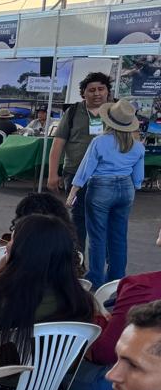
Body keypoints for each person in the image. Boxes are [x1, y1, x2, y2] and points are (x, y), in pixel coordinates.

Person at [0, 213, 98, 367]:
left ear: (23, 250)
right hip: (55, 381)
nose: (7, 245)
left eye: (13, 239)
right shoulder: (81, 301)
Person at [68, 99, 144, 289]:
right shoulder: (137, 146)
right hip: (126, 189)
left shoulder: (99, 141)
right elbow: (138, 179)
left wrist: (73, 192)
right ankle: (117, 279)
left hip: (101, 188)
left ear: (108, 120)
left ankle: (96, 279)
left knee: (97, 236)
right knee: (119, 235)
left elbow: (85, 169)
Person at [69, 268, 161, 390]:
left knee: (53, 371)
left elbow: (103, 353)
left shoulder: (143, 286)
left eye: (134, 366)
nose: (111, 376)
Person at [48, 71, 113, 250]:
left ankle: (103, 264)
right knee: (78, 219)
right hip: (76, 174)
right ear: (83, 93)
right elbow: (58, 143)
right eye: (91, 90)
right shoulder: (73, 112)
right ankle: (78, 260)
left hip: (107, 176)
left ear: (108, 91)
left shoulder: (115, 111)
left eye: (101, 89)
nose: (97, 93)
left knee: (105, 221)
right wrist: (52, 174)